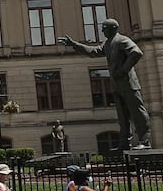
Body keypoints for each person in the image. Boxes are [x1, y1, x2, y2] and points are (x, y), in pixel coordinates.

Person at [59, 19, 151, 148]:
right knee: (122, 115)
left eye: (104, 28)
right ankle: (125, 141)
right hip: (117, 84)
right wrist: (75, 44)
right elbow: (93, 51)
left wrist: (123, 70)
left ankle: (144, 141)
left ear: (113, 28)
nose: (102, 31)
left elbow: (136, 53)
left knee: (137, 112)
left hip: (128, 83)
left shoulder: (121, 40)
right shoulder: (108, 43)